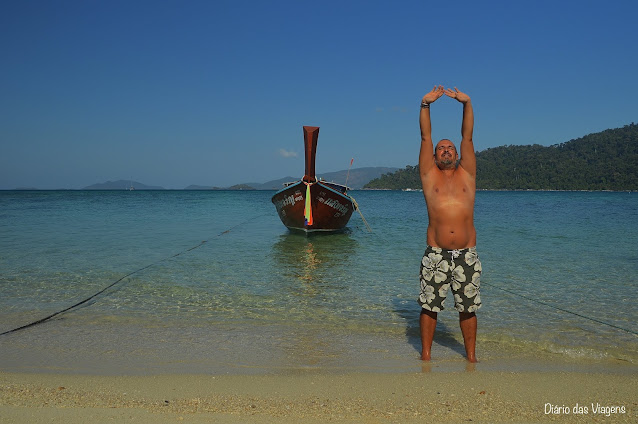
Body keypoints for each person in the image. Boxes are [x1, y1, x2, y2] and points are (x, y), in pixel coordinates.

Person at [417, 85, 482, 363]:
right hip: (436, 254)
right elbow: (425, 135)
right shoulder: (429, 176)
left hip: (467, 254)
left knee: (468, 309)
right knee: (429, 307)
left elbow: (467, 136)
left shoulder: (467, 173)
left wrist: (466, 104)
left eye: (450, 149)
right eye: (441, 149)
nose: (445, 151)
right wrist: (425, 104)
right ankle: (427, 357)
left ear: (457, 155)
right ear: (433, 157)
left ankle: (470, 357)